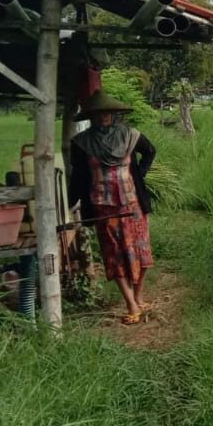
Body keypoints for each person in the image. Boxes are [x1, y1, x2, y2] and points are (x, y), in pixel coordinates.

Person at [68, 89, 156, 325]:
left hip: (133, 203)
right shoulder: (82, 143)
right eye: (97, 114)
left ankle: (138, 296)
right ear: (90, 116)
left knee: (142, 253)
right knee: (115, 256)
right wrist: (69, 201)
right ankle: (130, 304)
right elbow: (78, 176)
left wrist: (140, 174)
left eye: (107, 113)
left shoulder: (129, 135)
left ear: (114, 114)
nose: (102, 117)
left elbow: (150, 151)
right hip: (103, 206)